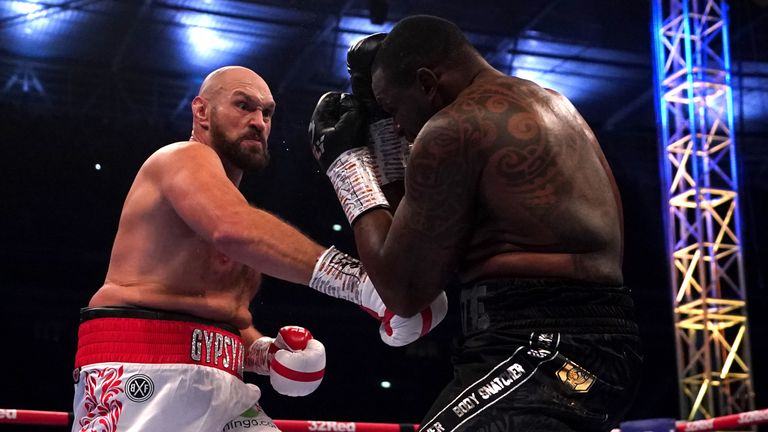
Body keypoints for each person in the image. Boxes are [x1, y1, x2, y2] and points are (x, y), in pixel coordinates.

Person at [309, 15, 642, 432]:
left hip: (543, 346)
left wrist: (348, 166)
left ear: (428, 83)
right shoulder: (551, 103)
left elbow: (404, 290)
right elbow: (415, 237)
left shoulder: (453, 128)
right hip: (579, 342)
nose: (395, 124)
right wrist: (384, 142)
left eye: (392, 109)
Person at [72, 66, 448, 432]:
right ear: (201, 111)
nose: (258, 122)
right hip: (141, 370)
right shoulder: (181, 159)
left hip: (222, 384)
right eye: (243, 106)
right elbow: (230, 229)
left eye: (267, 113)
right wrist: (360, 283)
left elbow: (222, 320)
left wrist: (267, 354)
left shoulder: (237, 215)